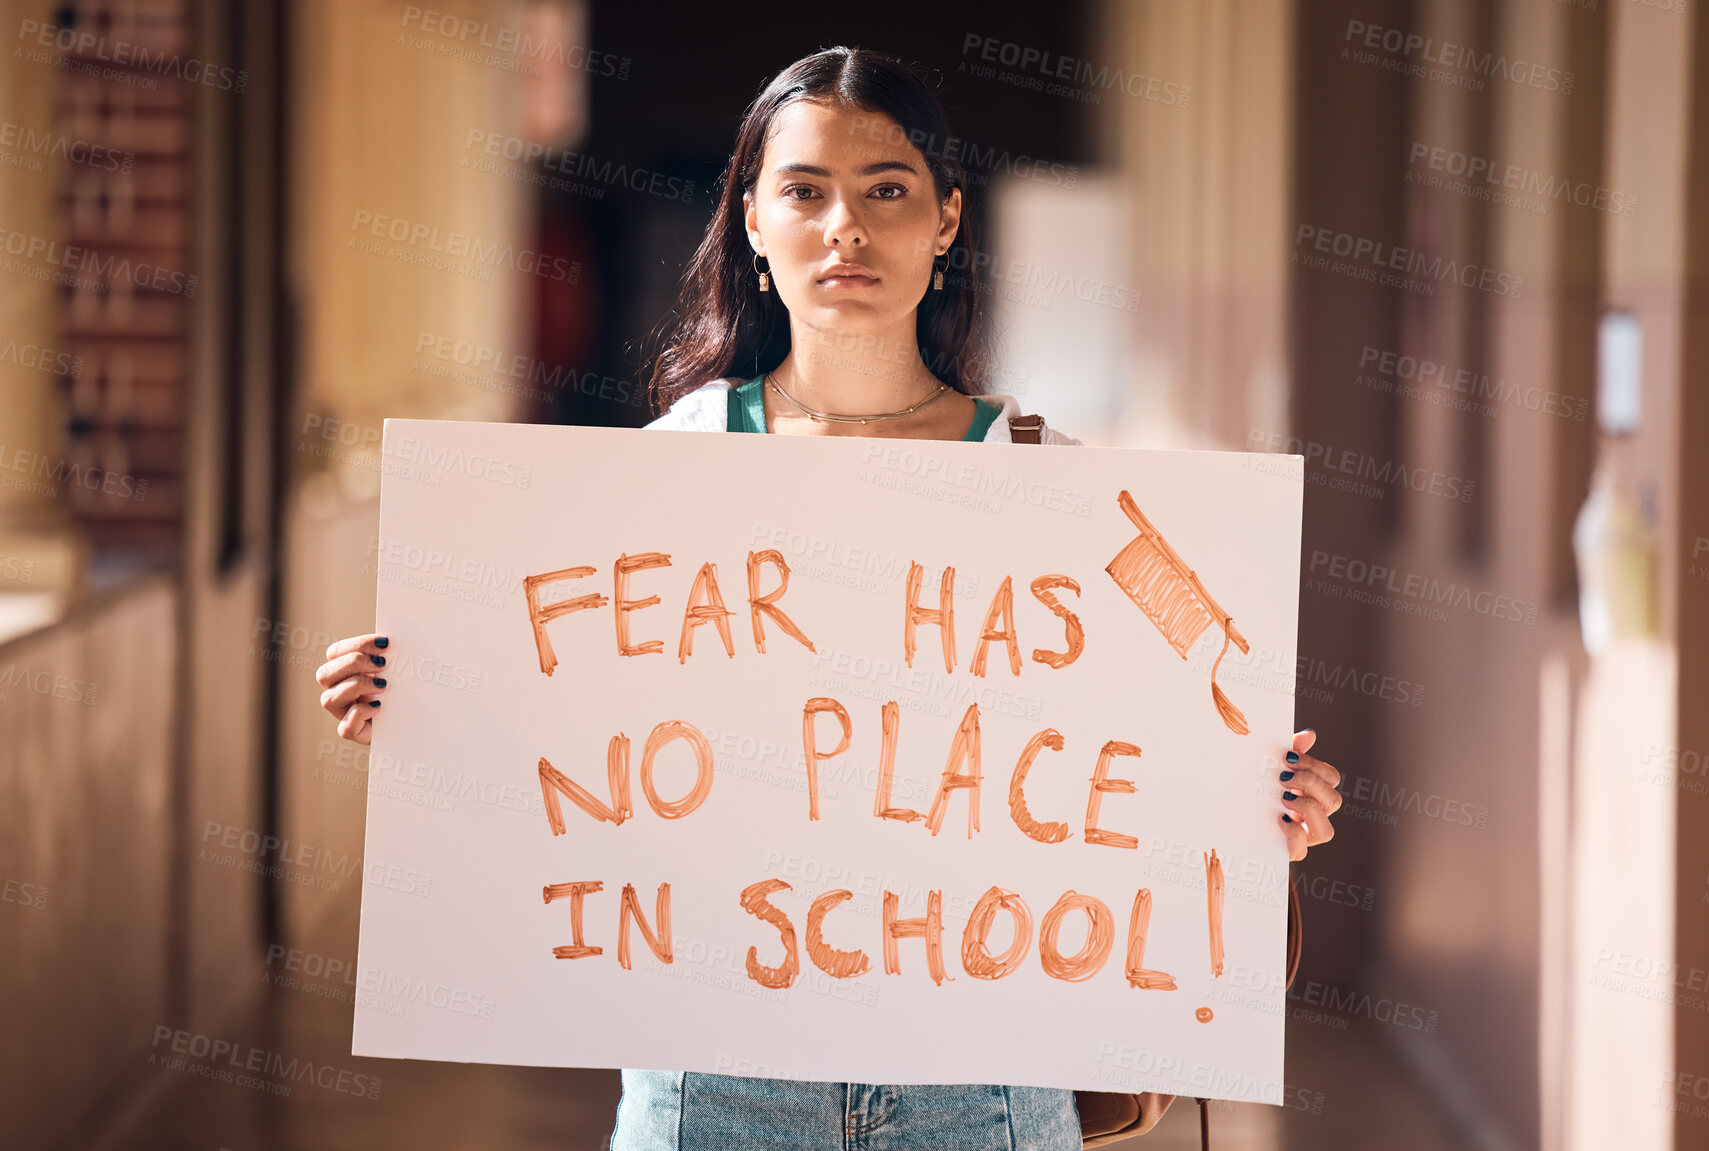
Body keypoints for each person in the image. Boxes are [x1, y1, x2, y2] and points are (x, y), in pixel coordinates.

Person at [315, 45, 1342, 1151]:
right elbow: (567, 745)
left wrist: (1253, 807)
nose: (844, 227)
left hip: (984, 1087)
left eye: (886, 191)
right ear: (751, 220)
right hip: (710, 1084)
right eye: (803, 191)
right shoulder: (674, 465)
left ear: (946, 221)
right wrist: (421, 708)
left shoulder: (1059, 490)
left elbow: (1172, 731)